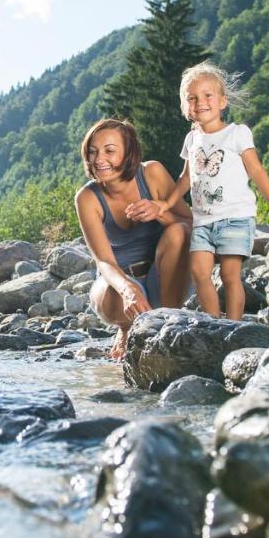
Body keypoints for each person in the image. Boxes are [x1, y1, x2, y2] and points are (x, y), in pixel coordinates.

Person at [148, 62, 269, 320]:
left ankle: (233, 326)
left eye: (207, 96)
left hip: (235, 217)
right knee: (199, 272)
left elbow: (256, 170)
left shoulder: (237, 133)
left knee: (229, 275)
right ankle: (214, 323)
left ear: (222, 101)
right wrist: (166, 204)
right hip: (203, 220)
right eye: (192, 98)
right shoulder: (192, 139)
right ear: (185, 106)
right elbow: (186, 176)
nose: (200, 102)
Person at [75, 118, 192, 360]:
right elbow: (104, 263)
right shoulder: (87, 198)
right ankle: (127, 328)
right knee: (115, 288)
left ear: (129, 153)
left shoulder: (152, 173)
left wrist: (159, 211)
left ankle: (168, 321)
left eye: (109, 151)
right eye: (93, 152)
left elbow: (191, 225)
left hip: (164, 278)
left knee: (178, 231)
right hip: (119, 284)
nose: (98, 159)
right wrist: (127, 289)